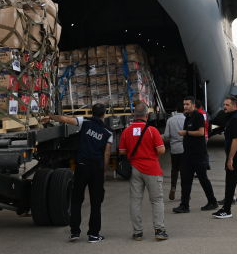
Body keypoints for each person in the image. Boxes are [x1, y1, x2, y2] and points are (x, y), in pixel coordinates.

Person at [48, 103, 113, 243]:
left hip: (82, 166)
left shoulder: (85, 121)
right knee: (96, 202)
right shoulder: (108, 132)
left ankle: (74, 232)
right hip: (96, 169)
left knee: (76, 200)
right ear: (104, 114)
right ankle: (94, 234)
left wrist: (51, 116)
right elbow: (107, 154)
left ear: (92, 112)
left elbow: (65, 119)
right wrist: (104, 172)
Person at [118, 102, 168, 241]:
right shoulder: (152, 130)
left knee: (135, 201)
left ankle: (138, 232)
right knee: (157, 200)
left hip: (135, 169)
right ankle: (159, 230)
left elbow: (122, 151)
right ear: (147, 115)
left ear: (134, 115)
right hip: (152, 169)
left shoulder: (126, 131)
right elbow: (161, 150)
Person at [172, 96, 218, 213]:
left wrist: (186, 132)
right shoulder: (187, 117)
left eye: (187, 104)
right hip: (187, 155)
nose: (185, 106)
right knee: (185, 179)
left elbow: (201, 132)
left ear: (193, 105)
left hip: (198, 155)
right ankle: (184, 205)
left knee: (203, 179)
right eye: (184, 104)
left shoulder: (198, 116)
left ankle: (212, 202)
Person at [162, 108, 185, 201]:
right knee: (184, 171)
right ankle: (184, 192)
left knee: (174, 170)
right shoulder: (186, 119)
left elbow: (167, 135)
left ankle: (173, 187)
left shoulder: (170, 120)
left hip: (174, 149)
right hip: (184, 149)